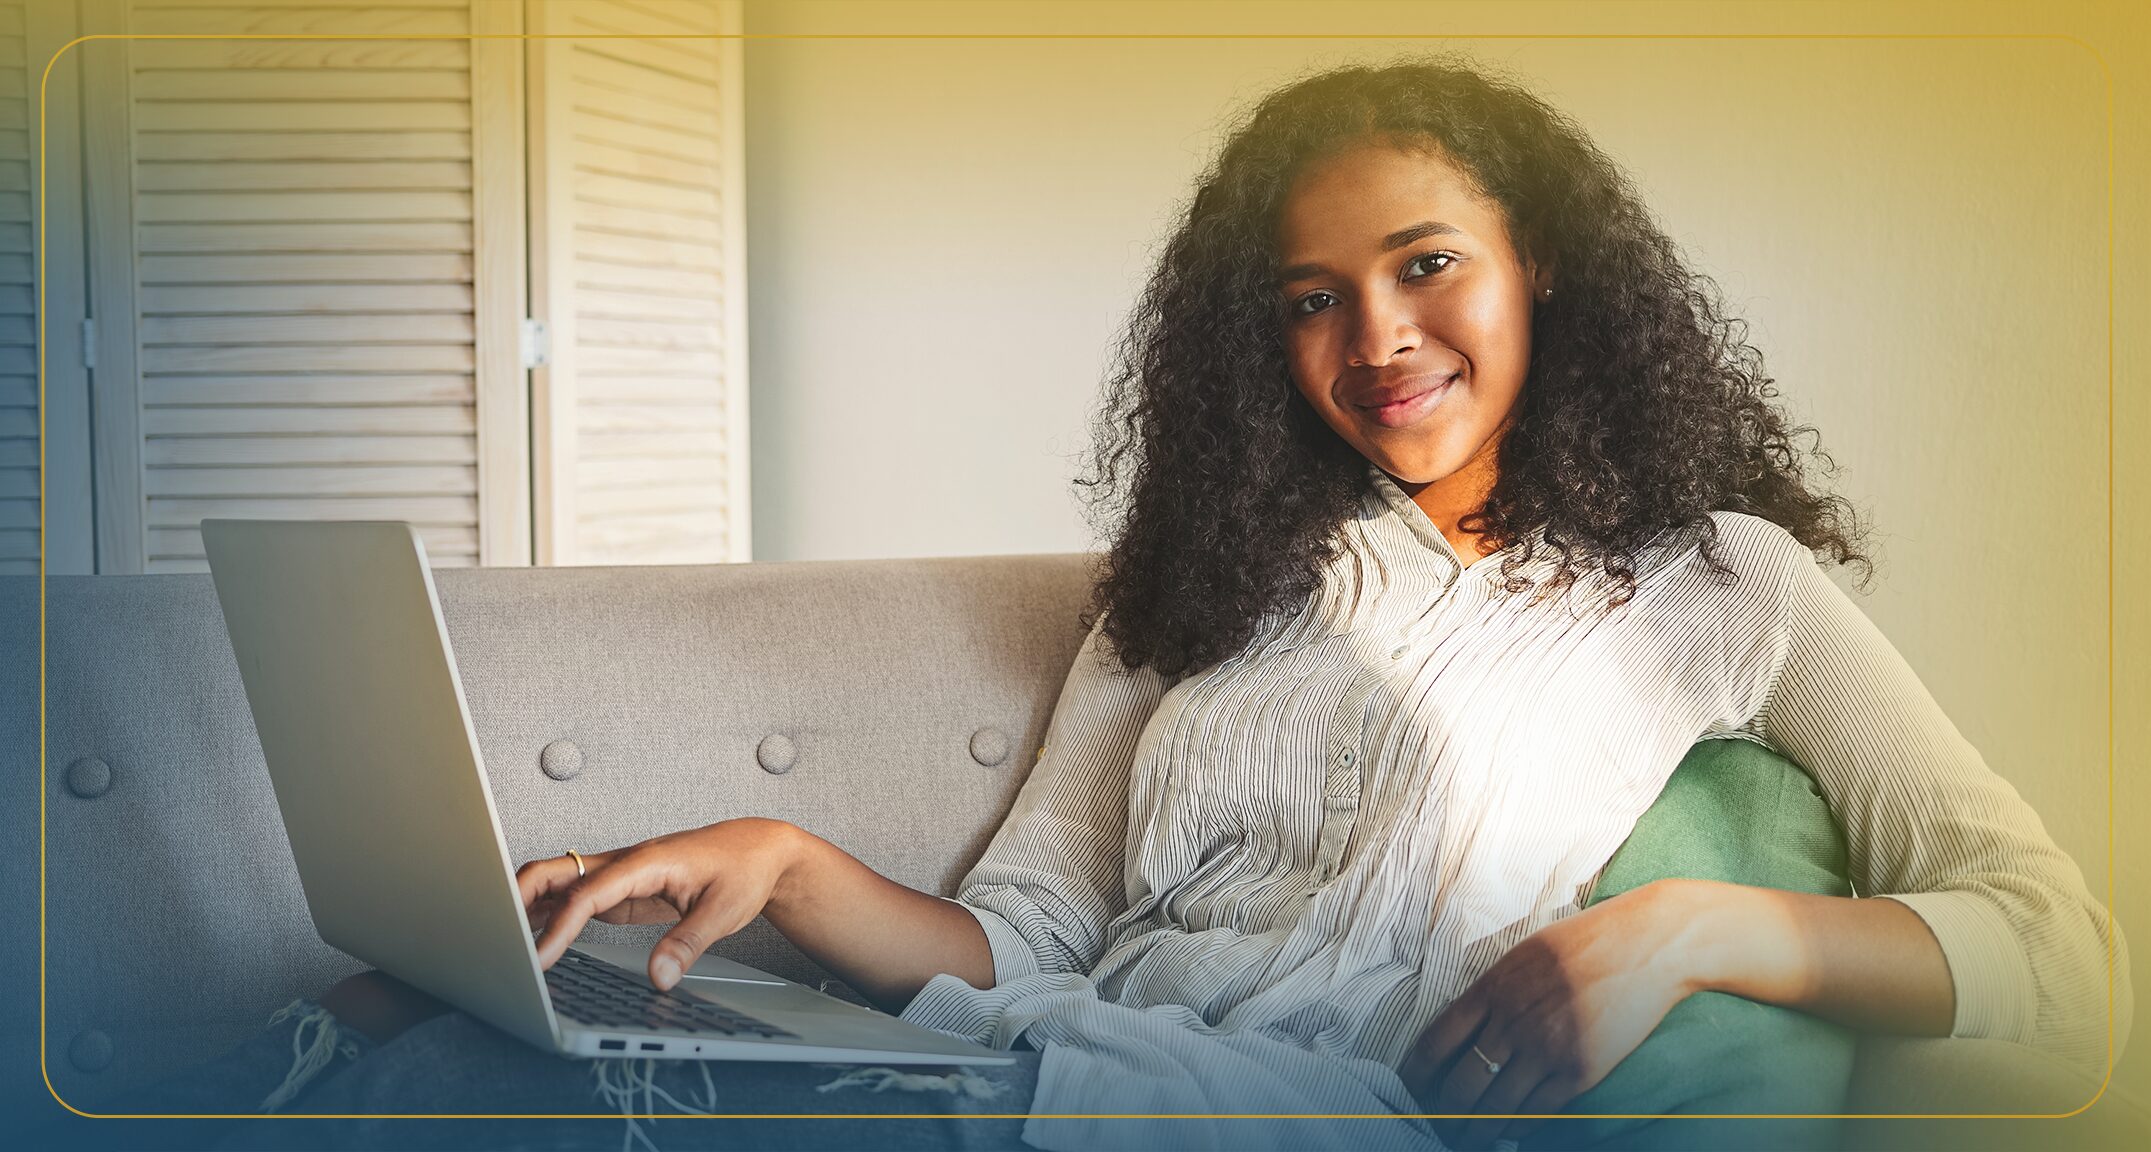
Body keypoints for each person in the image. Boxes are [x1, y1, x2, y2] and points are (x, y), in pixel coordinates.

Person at [133, 55, 2128, 1152]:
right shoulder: (1200, 584)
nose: (1376, 340)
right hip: (1044, 1068)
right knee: (426, 1013)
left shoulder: (1716, 586)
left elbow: (2066, 967)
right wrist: (784, 867)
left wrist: (1700, 934)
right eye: (1309, 299)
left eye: (1427, 266)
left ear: (1547, 278)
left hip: (1297, 1113)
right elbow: (1025, 940)